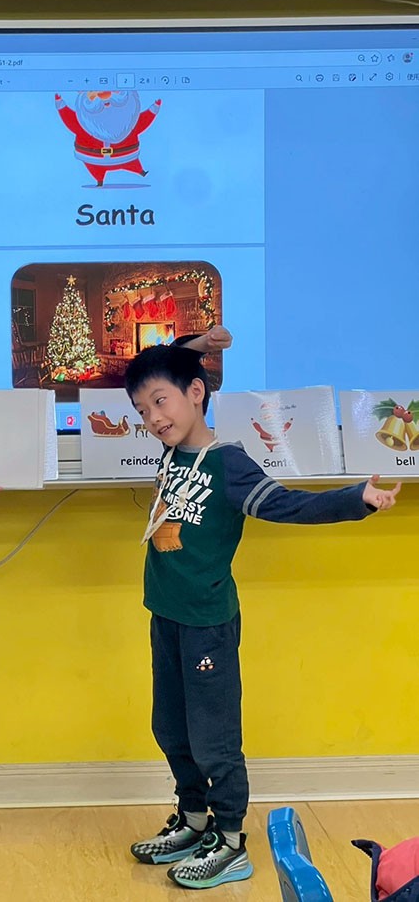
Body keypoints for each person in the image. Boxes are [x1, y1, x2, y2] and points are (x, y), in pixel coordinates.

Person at [123, 342, 400, 892]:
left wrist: (356, 499)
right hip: (166, 616)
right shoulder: (172, 456)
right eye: (142, 410)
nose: (153, 418)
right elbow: (172, 366)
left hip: (207, 625)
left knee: (213, 738)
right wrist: (190, 347)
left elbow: (287, 504)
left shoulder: (229, 463)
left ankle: (229, 840)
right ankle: (193, 820)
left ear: (196, 393)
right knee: (169, 727)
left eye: (160, 401)